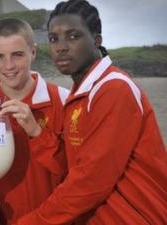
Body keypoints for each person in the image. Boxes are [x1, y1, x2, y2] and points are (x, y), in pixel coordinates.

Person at [14, 0, 167, 224]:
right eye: (54, 39)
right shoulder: (80, 94)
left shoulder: (114, 89)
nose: (61, 46)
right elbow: (72, 166)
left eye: (73, 36)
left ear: (96, 40)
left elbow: (91, 181)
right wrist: (37, 133)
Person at [0, 18, 69, 224]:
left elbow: (77, 173)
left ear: (33, 52)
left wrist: (37, 132)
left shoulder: (64, 101)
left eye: (17, 55)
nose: (8, 66)